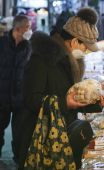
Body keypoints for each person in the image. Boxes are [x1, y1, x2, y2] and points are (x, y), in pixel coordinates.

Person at [17, 7, 104, 170]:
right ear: (75, 41)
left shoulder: (71, 63)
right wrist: (63, 104)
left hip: (65, 135)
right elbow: (29, 99)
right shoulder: (42, 59)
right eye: (86, 47)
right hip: (44, 140)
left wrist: (98, 103)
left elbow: (72, 99)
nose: (87, 51)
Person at [0, 15, 32, 164]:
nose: (30, 30)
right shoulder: (1, 44)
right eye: (28, 27)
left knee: (20, 134)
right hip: (1, 97)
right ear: (18, 28)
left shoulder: (29, 47)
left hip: (20, 98)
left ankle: (19, 162)